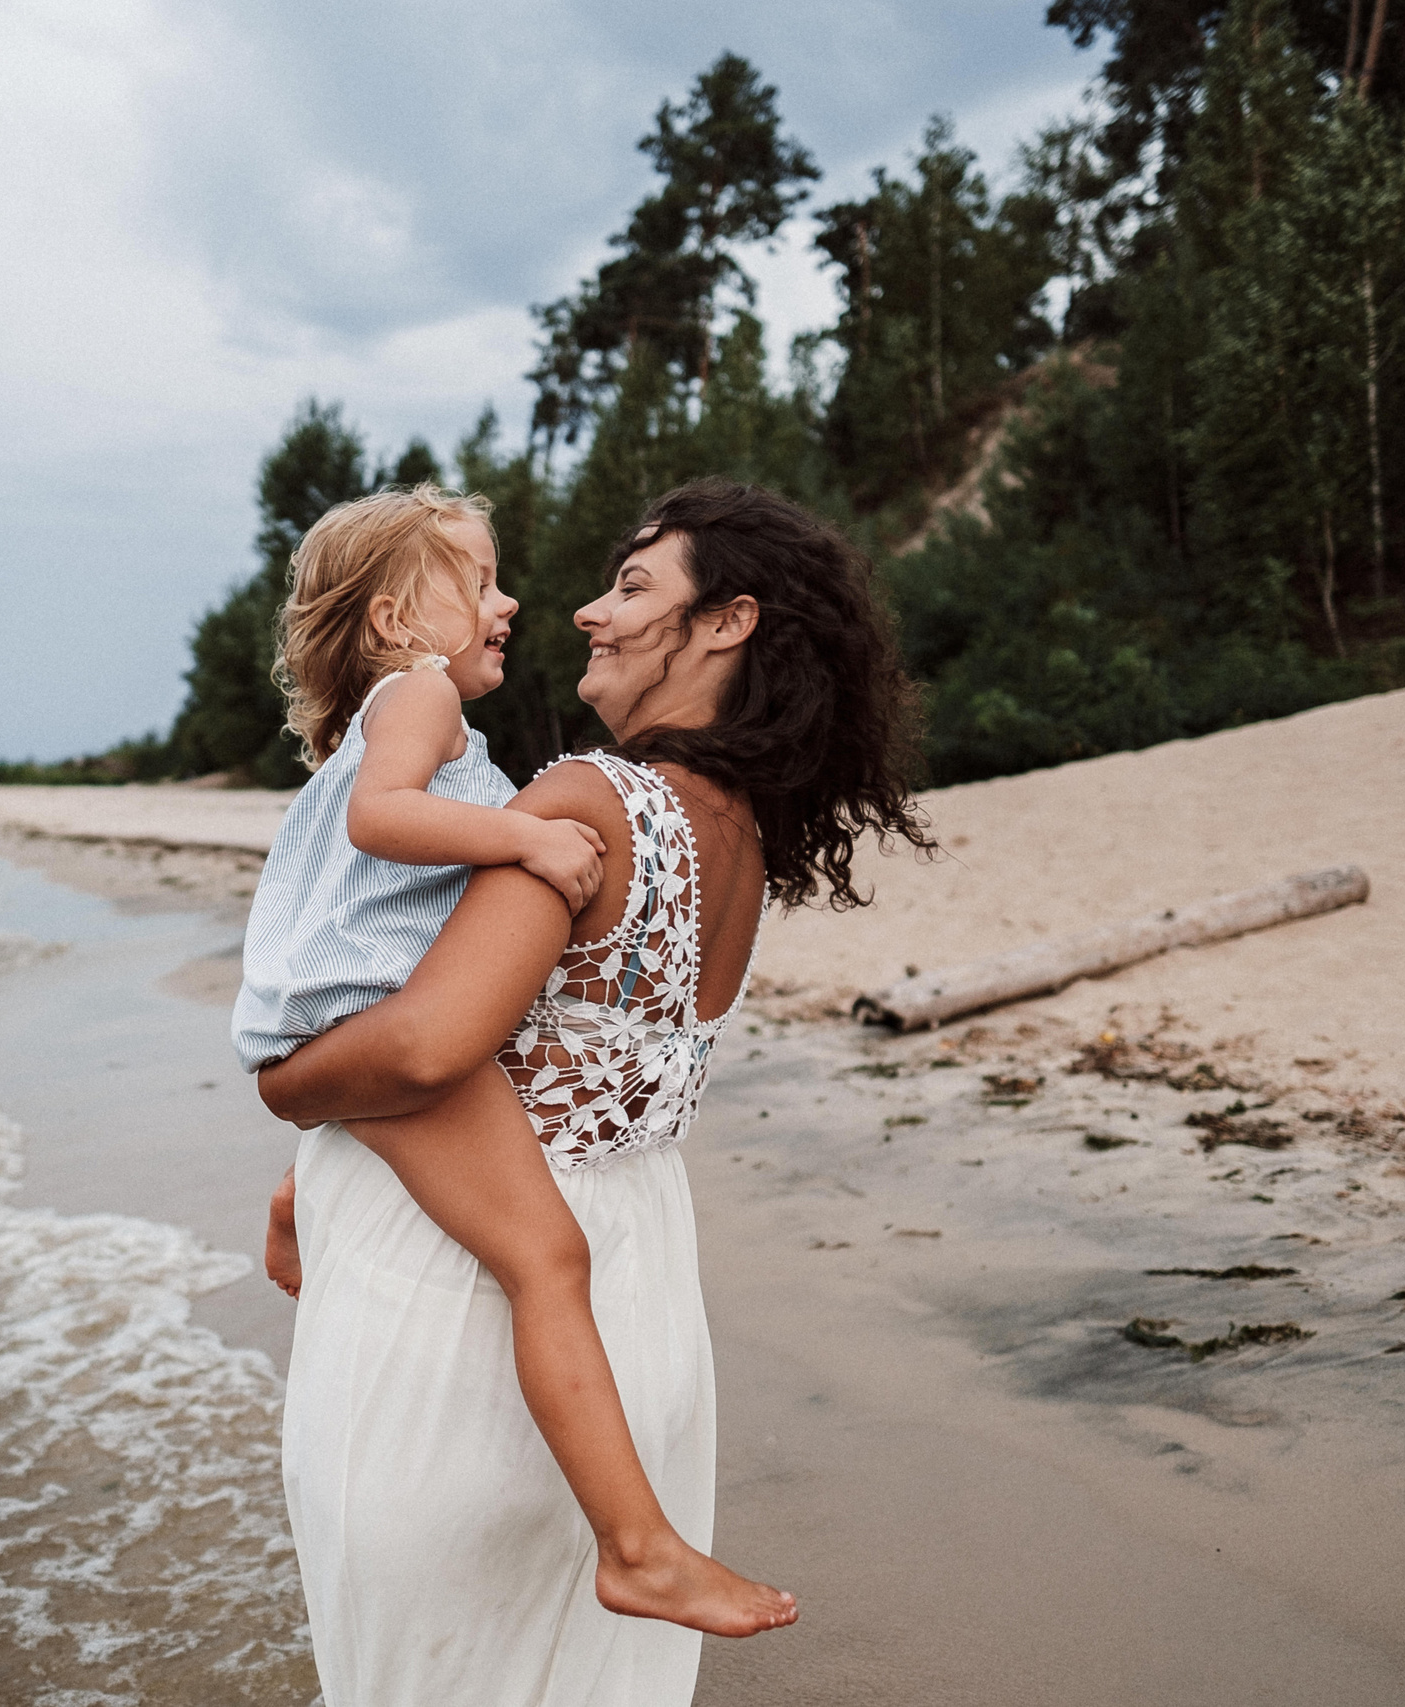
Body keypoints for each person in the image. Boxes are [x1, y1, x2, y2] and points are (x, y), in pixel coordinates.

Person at [257, 478, 934, 1706]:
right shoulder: (736, 832)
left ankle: (637, 1549)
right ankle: (641, 1541)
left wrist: (289, 1090)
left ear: (726, 624)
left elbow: (420, 1052)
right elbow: (512, 1030)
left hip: (457, 1322)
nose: (583, 612)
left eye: (631, 587)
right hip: (635, 1295)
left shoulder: (585, 802)